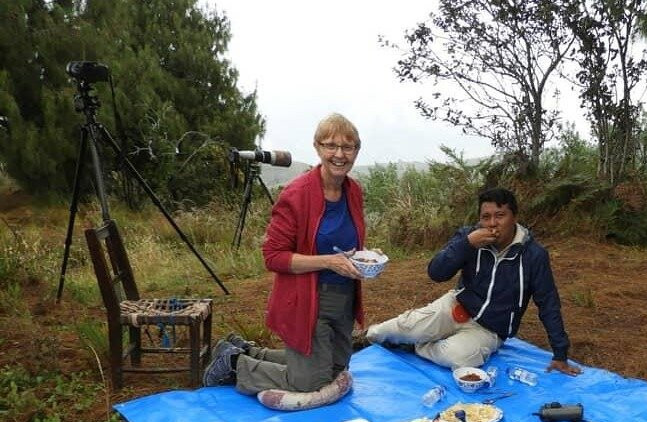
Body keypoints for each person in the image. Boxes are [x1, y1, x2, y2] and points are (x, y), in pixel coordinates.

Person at [203, 113, 367, 394]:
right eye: (331, 145)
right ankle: (234, 364)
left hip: (345, 295)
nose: (339, 154)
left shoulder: (353, 191)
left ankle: (248, 351)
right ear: (317, 147)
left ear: (356, 151)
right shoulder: (297, 194)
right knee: (311, 382)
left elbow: (345, 241)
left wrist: (362, 257)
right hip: (309, 298)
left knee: (336, 369)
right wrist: (328, 262)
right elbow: (273, 256)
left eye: (347, 147)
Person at [365, 187, 581, 375]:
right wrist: (466, 244)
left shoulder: (533, 255)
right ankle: (367, 337)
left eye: (500, 216)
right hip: (456, 307)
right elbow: (436, 273)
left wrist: (560, 353)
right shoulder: (470, 237)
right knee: (387, 331)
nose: (492, 224)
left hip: (489, 330)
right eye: (486, 217)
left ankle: (414, 346)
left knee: (459, 358)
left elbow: (548, 303)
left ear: (514, 217)